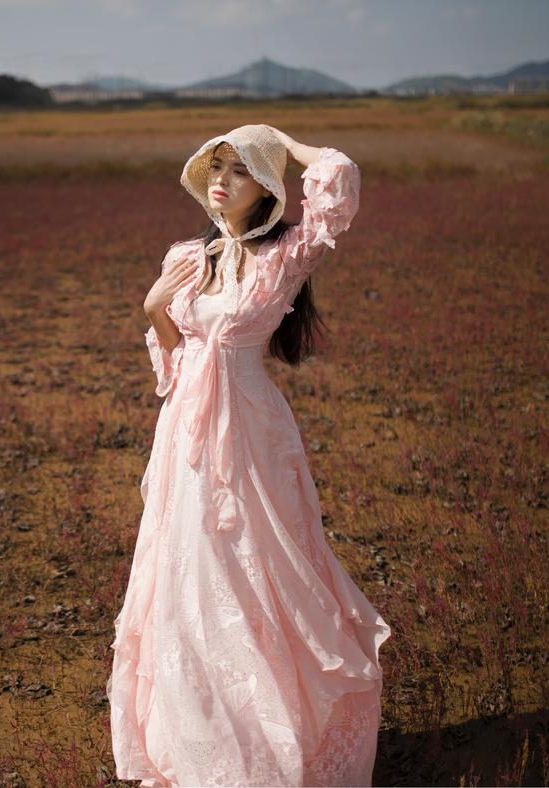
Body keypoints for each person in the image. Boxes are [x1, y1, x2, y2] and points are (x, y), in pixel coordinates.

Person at [105, 124, 392, 787]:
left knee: (258, 567)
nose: (221, 179)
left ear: (264, 187)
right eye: (216, 165)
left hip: (253, 433)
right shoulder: (187, 254)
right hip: (186, 434)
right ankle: (201, 736)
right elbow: (178, 362)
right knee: (189, 570)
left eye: (240, 169)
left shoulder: (285, 255)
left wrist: (281, 144)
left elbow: (339, 176)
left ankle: (273, 732)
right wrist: (154, 308)